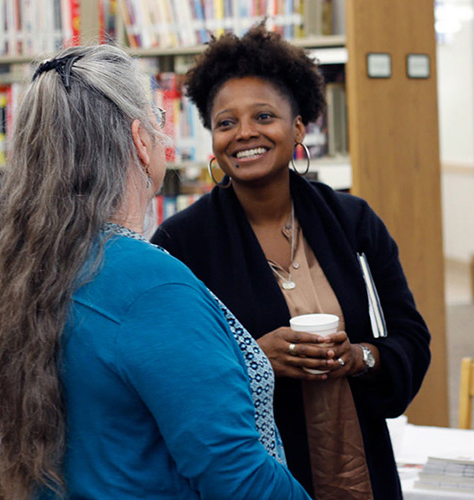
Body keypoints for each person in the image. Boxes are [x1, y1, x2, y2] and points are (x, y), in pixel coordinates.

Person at [0, 44, 310, 500]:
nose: (164, 136)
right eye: (158, 118)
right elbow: (238, 476)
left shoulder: (42, 266)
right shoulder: (151, 288)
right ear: (139, 139)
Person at [151, 24, 431, 500]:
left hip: (363, 472)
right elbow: (167, 378)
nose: (245, 134)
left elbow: (411, 338)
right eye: (225, 122)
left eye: (264, 116)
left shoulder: (353, 222)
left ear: (299, 126)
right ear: (213, 139)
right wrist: (253, 358)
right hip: (256, 481)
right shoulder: (181, 243)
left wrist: (359, 357)